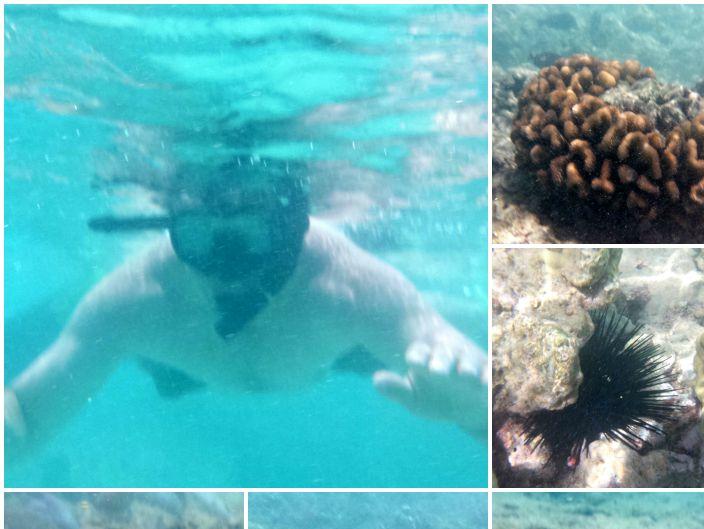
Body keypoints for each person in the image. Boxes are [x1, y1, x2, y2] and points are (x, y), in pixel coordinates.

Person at [5, 157, 488, 466]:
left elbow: (437, 342)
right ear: (174, 228)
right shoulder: (132, 300)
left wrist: (473, 411)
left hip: (332, 355)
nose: (225, 271)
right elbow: (24, 417)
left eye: (249, 239)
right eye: (199, 240)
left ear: (292, 232)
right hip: (183, 366)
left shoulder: (353, 286)